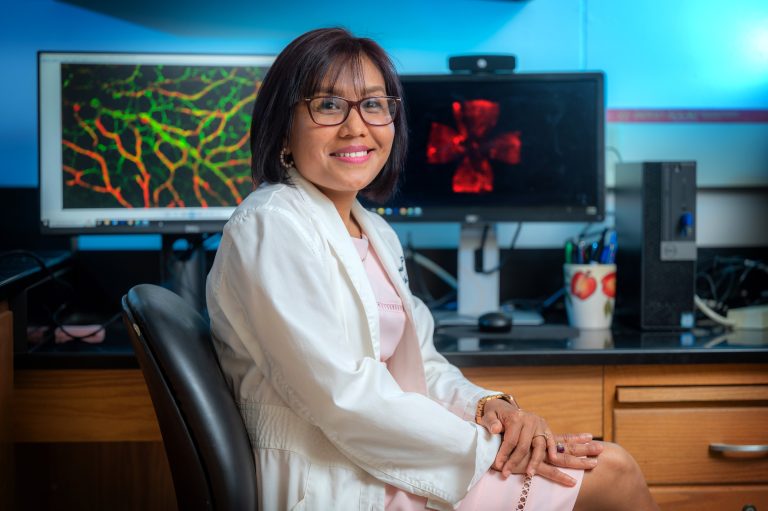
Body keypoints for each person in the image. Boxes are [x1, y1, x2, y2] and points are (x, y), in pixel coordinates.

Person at [206, 27, 659, 511]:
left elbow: (422, 366)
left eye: (375, 104)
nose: (357, 126)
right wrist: (493, 451)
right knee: (611, 472)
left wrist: (492, 409)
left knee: (606, 466)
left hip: (382, 461)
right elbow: (345, 398)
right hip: (330, 477)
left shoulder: (372, 231)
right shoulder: (272, 223)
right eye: (328, 105)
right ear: (283, 127)